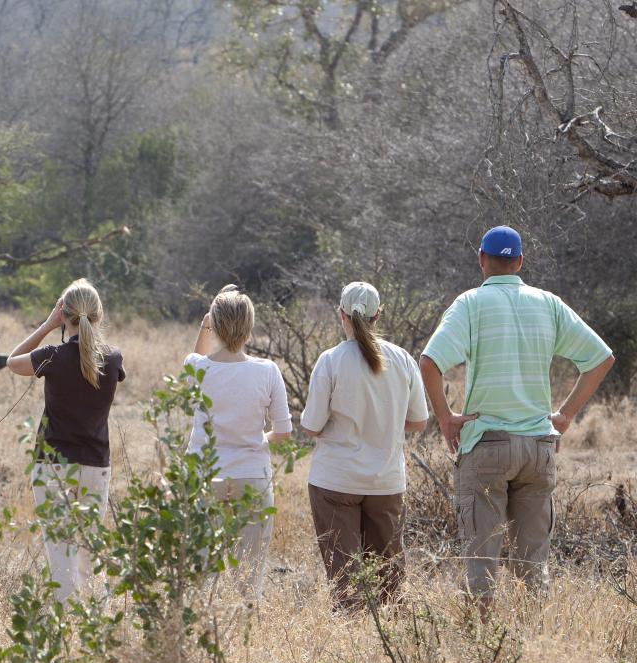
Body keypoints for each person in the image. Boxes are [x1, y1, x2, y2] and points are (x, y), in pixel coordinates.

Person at [420, 225, 614, 612]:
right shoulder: (547, 303)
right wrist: (565, 415)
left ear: (481, 260)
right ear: (520, 262)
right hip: (539, 449)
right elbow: (601, 358)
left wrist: (446, 418)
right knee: (532, 565)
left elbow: (429, 361)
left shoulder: (470, 304)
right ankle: (534, 641)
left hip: (487, 446)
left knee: (482, 562)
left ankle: (484, 649)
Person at [300, 282, 428, 610]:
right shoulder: (402, 359)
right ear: (378, 315)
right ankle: (386, 643)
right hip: (386, 481)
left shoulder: (330, 361)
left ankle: (351, 635)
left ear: (341, 314)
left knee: (345, 578)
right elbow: (418, 422)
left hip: (335, 481)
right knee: (389, 579)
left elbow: (311, 427)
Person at [7, 279, 125, 602]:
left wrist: (47, 325)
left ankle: (61, 628)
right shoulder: (113, 360)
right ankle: (92, 627)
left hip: (53, 466)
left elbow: (11, 361)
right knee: (89, 554)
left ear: (64, 315)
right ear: (98, 315)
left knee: (61, 557)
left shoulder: (53, 356)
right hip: (95, 466)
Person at [184, 285, 292, 599]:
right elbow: (283, 433)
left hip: (204, 477)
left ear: (214, 324)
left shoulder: (196, 367)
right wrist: (256, 440)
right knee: (249, 579)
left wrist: (206, 323)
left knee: (201, 578)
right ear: (250, 326)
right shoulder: (267, 370)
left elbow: (198, 355)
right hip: (252, 477)